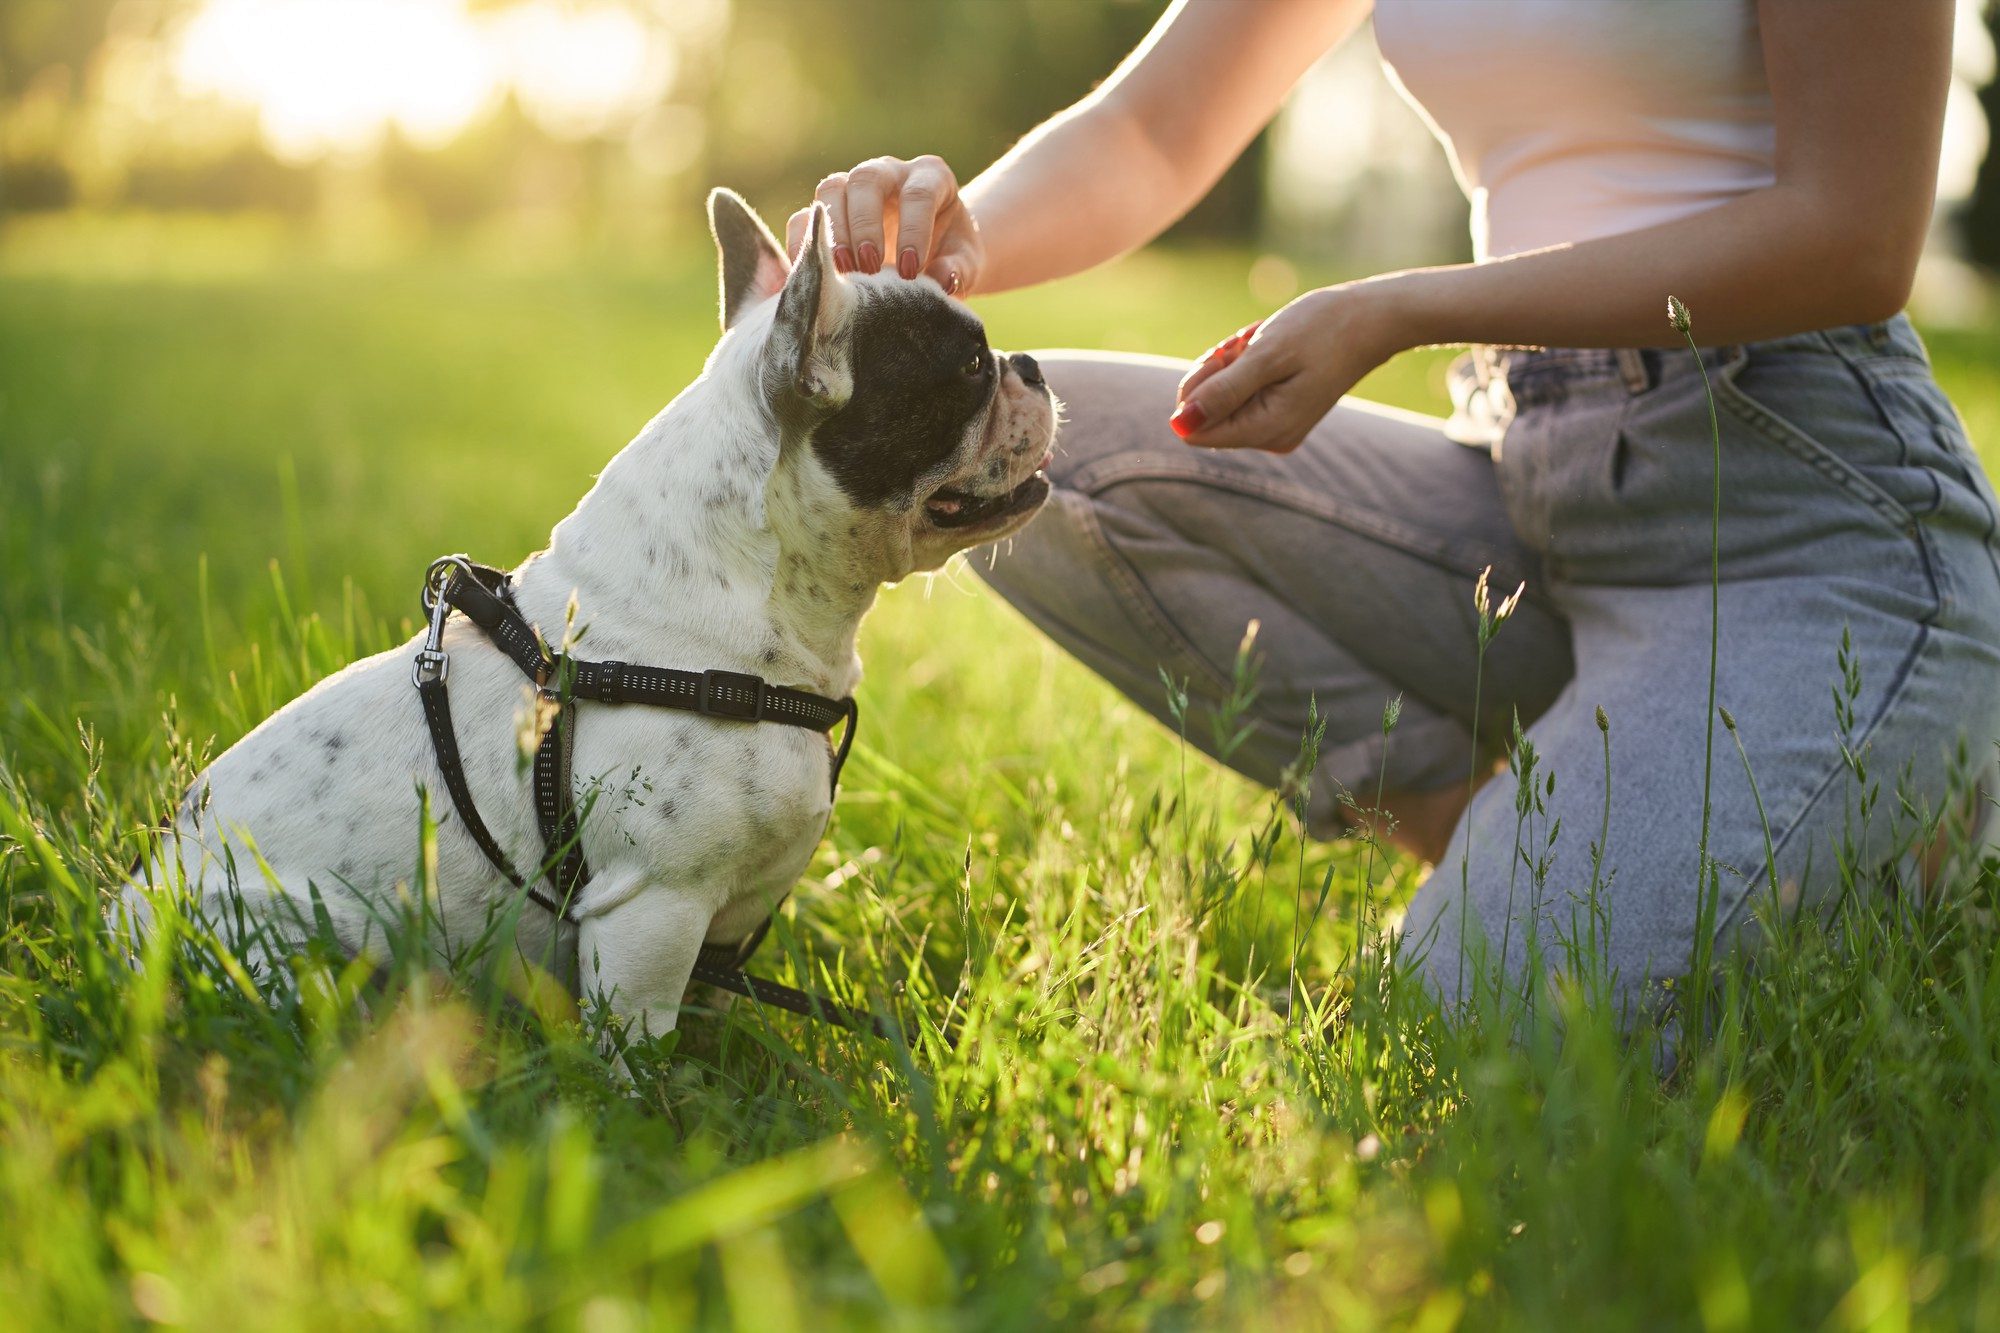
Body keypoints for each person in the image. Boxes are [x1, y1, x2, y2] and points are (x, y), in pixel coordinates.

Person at [793, 0, 2000, 1018]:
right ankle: (1495, 834)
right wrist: (940, 249)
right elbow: (1150, 133)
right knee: (1052, 471)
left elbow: (1853, 232)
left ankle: (1918, 820)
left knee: (1465, 1029)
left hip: (1806, 522)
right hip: (1532, 474)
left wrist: (1402, 307)